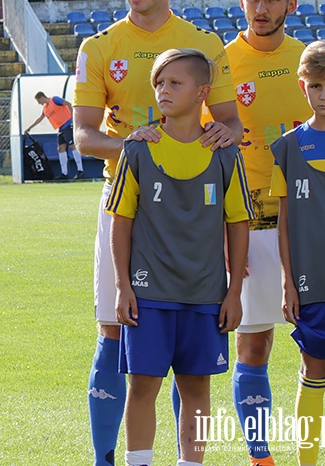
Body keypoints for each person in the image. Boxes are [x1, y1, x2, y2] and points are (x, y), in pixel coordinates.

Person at [72, 0, 242, 466]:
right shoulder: (98, 47)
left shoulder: (203, 45)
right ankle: (110, 457)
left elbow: (232, 125)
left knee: (192, 354)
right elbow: (82, 136)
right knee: (115, 330)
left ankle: (187, 458)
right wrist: (137, 143)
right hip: (124, 203)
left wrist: (220, 134)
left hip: (192, 213)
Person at [224, 0, 325, 466]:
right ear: (242, 2)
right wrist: (221, 230)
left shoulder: (315, 63)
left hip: (315, 231)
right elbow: (209, 148)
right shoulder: (221, 63)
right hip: (251, 223)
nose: (262, 8)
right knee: (253, 345)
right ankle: (261, 457)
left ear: (291, 5)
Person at [110, 48, 251, 466]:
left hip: (205, 296)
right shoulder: (137, 149)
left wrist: (234, 293)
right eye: (158, 83)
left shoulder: (225, 154)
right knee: (142, 386)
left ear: (203, 92)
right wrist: (123, 287)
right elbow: (121, 222)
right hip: (148, 293)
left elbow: (238, 223)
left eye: (175, 82)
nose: (163, 91)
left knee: (196, 390)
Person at [273, 40, 325, 466]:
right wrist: (288, 280)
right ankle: (307, 461)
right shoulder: (287, 147)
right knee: (314, 370)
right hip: (313, 282)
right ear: (302, 86)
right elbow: (285, 222)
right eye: (316, 86)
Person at [23, 91, 85, 179]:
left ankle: (80, 170)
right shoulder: (45, 108)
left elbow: (68, 104)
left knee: (72, 146)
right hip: (60, 128)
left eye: (39, 101)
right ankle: (64, 173)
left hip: (68, 125)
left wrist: (73, 118)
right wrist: (30, 127)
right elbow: (40, 118)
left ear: (42, 97)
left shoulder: (54, 99)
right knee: (61, 148)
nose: (39, 103)